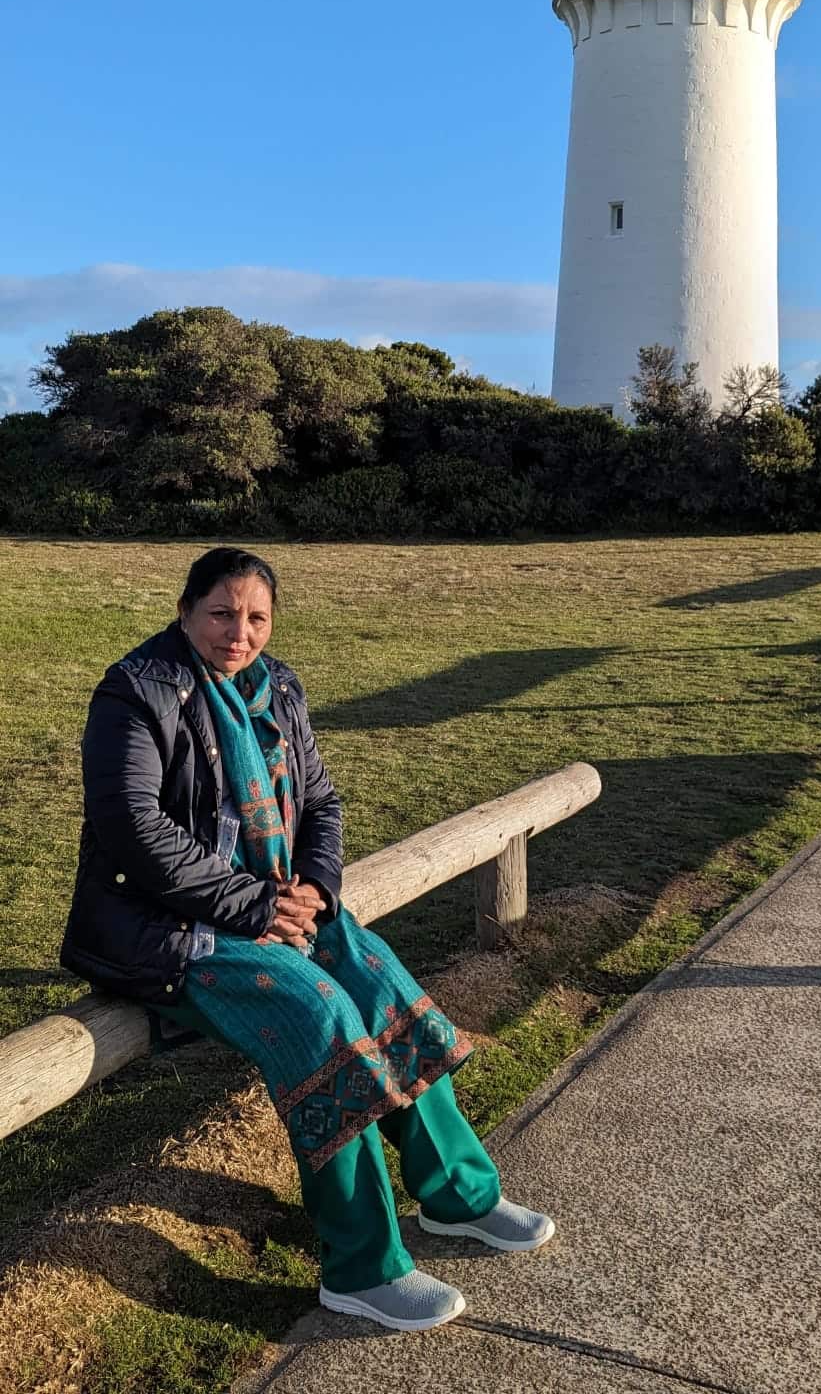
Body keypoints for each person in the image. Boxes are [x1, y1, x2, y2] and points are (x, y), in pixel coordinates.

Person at [61, 545, 554, 1331]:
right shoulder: (136, 691)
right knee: (321, 1014)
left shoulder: (277, 686)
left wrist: (317, 888)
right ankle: (361, 1269)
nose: (239, 633)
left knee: (380, 982)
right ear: (186, 611)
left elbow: (320, 801)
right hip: (168, 926)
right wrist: (257, 906)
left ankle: (458, 1197)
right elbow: (133, 830)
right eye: (222, 613)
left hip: (278, 901)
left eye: (256, 617)